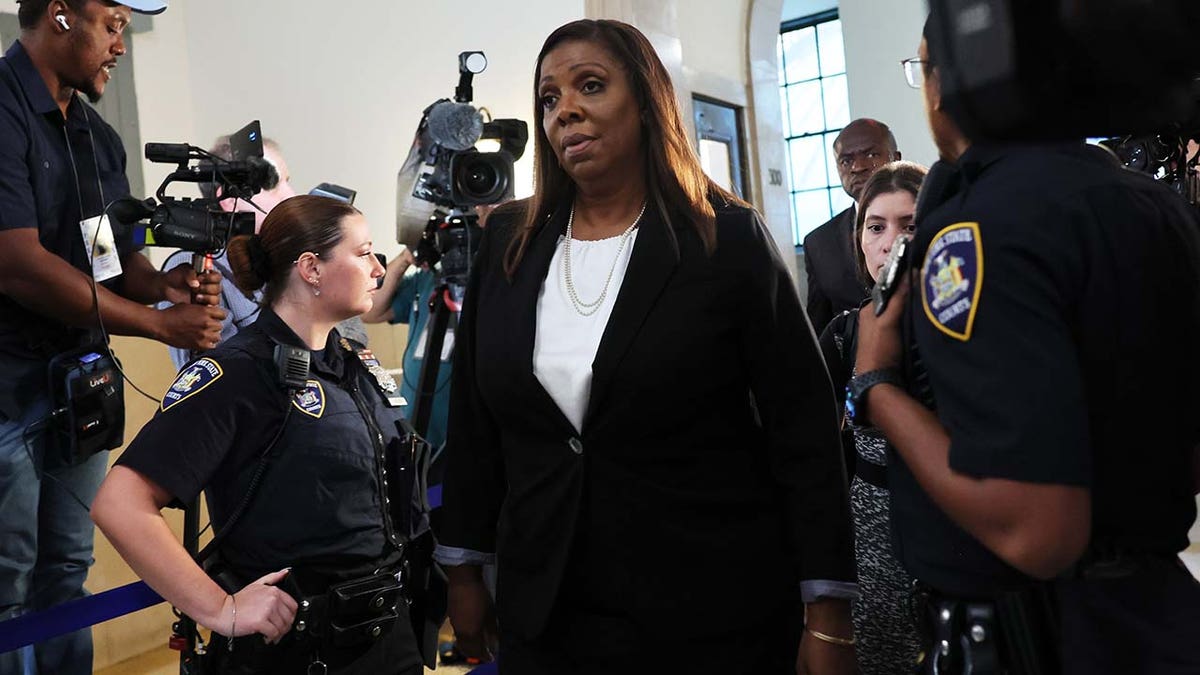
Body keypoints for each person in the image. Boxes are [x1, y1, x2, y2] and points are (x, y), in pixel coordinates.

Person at [437, 19, 857, 675]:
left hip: (708, 608)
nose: (566, 110)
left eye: (591, 86)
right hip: (545, 609)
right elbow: (473, 419)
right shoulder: (511, 243)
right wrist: (463, 568)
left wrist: (827, 611)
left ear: (646, 100)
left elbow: (802, 431)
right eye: (549, 99)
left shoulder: (727, 241)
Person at [849, 17, 1200, 674]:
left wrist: (875, 384)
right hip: (1155, 611)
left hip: (1040, 633)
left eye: (927, 66)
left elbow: (1037, 530)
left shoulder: (979, 228)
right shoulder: (1151, 203)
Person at [91, 195, 434, 674]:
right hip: (300, 648)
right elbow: (120, 503)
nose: (378, 268)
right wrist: (219, 608)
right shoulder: (239, 373)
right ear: (311, 268)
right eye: (364, 253)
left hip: (386, 634)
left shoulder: (354, 366)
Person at [0, 2, 226, 674]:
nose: (119, 45)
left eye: (126, 27)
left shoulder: (98, 138)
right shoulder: (4, 112)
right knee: (6, 584)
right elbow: (17, 264)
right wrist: (159, 324)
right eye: (111, 24)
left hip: (75, 389)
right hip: (5, 391)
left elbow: (106, 261)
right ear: (61, 15)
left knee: (66, 570)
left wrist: (165, 287)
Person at [819, 161, 926, 675]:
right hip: (869, 530)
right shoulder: (842, 333)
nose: (890, 242)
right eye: (875, 226)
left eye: (909, 225)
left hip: (953, 520)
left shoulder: (969, 325)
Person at [160, 135, 369, 370]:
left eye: (288, 181)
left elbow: (353, 347)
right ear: (229, 199)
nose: (290, 194)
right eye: (273, 184)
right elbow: (225, 371)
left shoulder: (294, 254)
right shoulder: (196, 264)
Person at [803, 118, 901, 332]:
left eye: (871, 155)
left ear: (897, 159)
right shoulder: (819, 242)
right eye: (846, 161)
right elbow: (819, 328)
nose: (858, 167)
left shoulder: (932, 219)